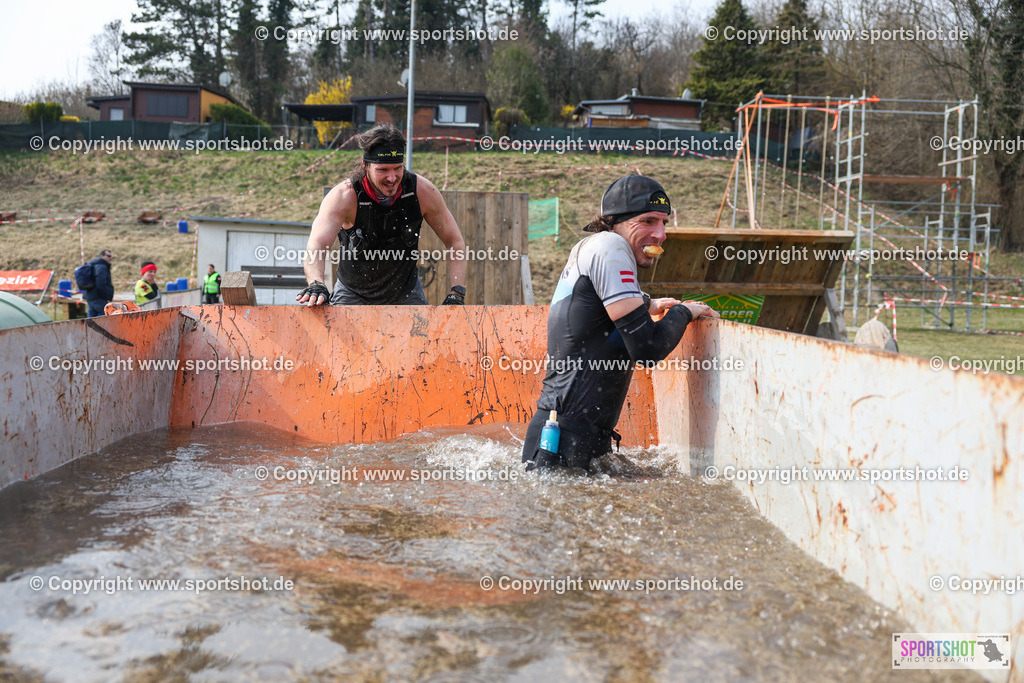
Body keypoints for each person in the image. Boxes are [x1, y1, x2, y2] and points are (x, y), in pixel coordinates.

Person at [522, 176, 720, 471]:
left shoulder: (594, 247)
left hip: (570, 438)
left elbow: (593, 311)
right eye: (649, 221)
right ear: (615, 222)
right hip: (563, 444)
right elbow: (648, 348)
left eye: (664, 223)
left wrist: (649, 304)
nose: (661, 234)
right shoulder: (611, 246)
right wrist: (685, 312)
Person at [297, 123, 468, 306]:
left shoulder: (421, 192)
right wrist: (316, 283)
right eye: (383, 170)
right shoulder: (345, 196)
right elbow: (317, 244)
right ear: (366, 166)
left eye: (397, 168)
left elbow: (454, 242)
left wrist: (457, 292)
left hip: (406, 294)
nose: (392, 178)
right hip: (353, 294)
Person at [84, 248, 114, 318]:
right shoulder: (101, 267)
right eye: (108, 256)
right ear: (102, 256)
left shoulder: (94, 265)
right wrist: (107, 296)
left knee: (91, 320)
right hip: (98, 298)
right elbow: (101, 283)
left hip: (91, 296)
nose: (110, 258)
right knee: (109, 317)